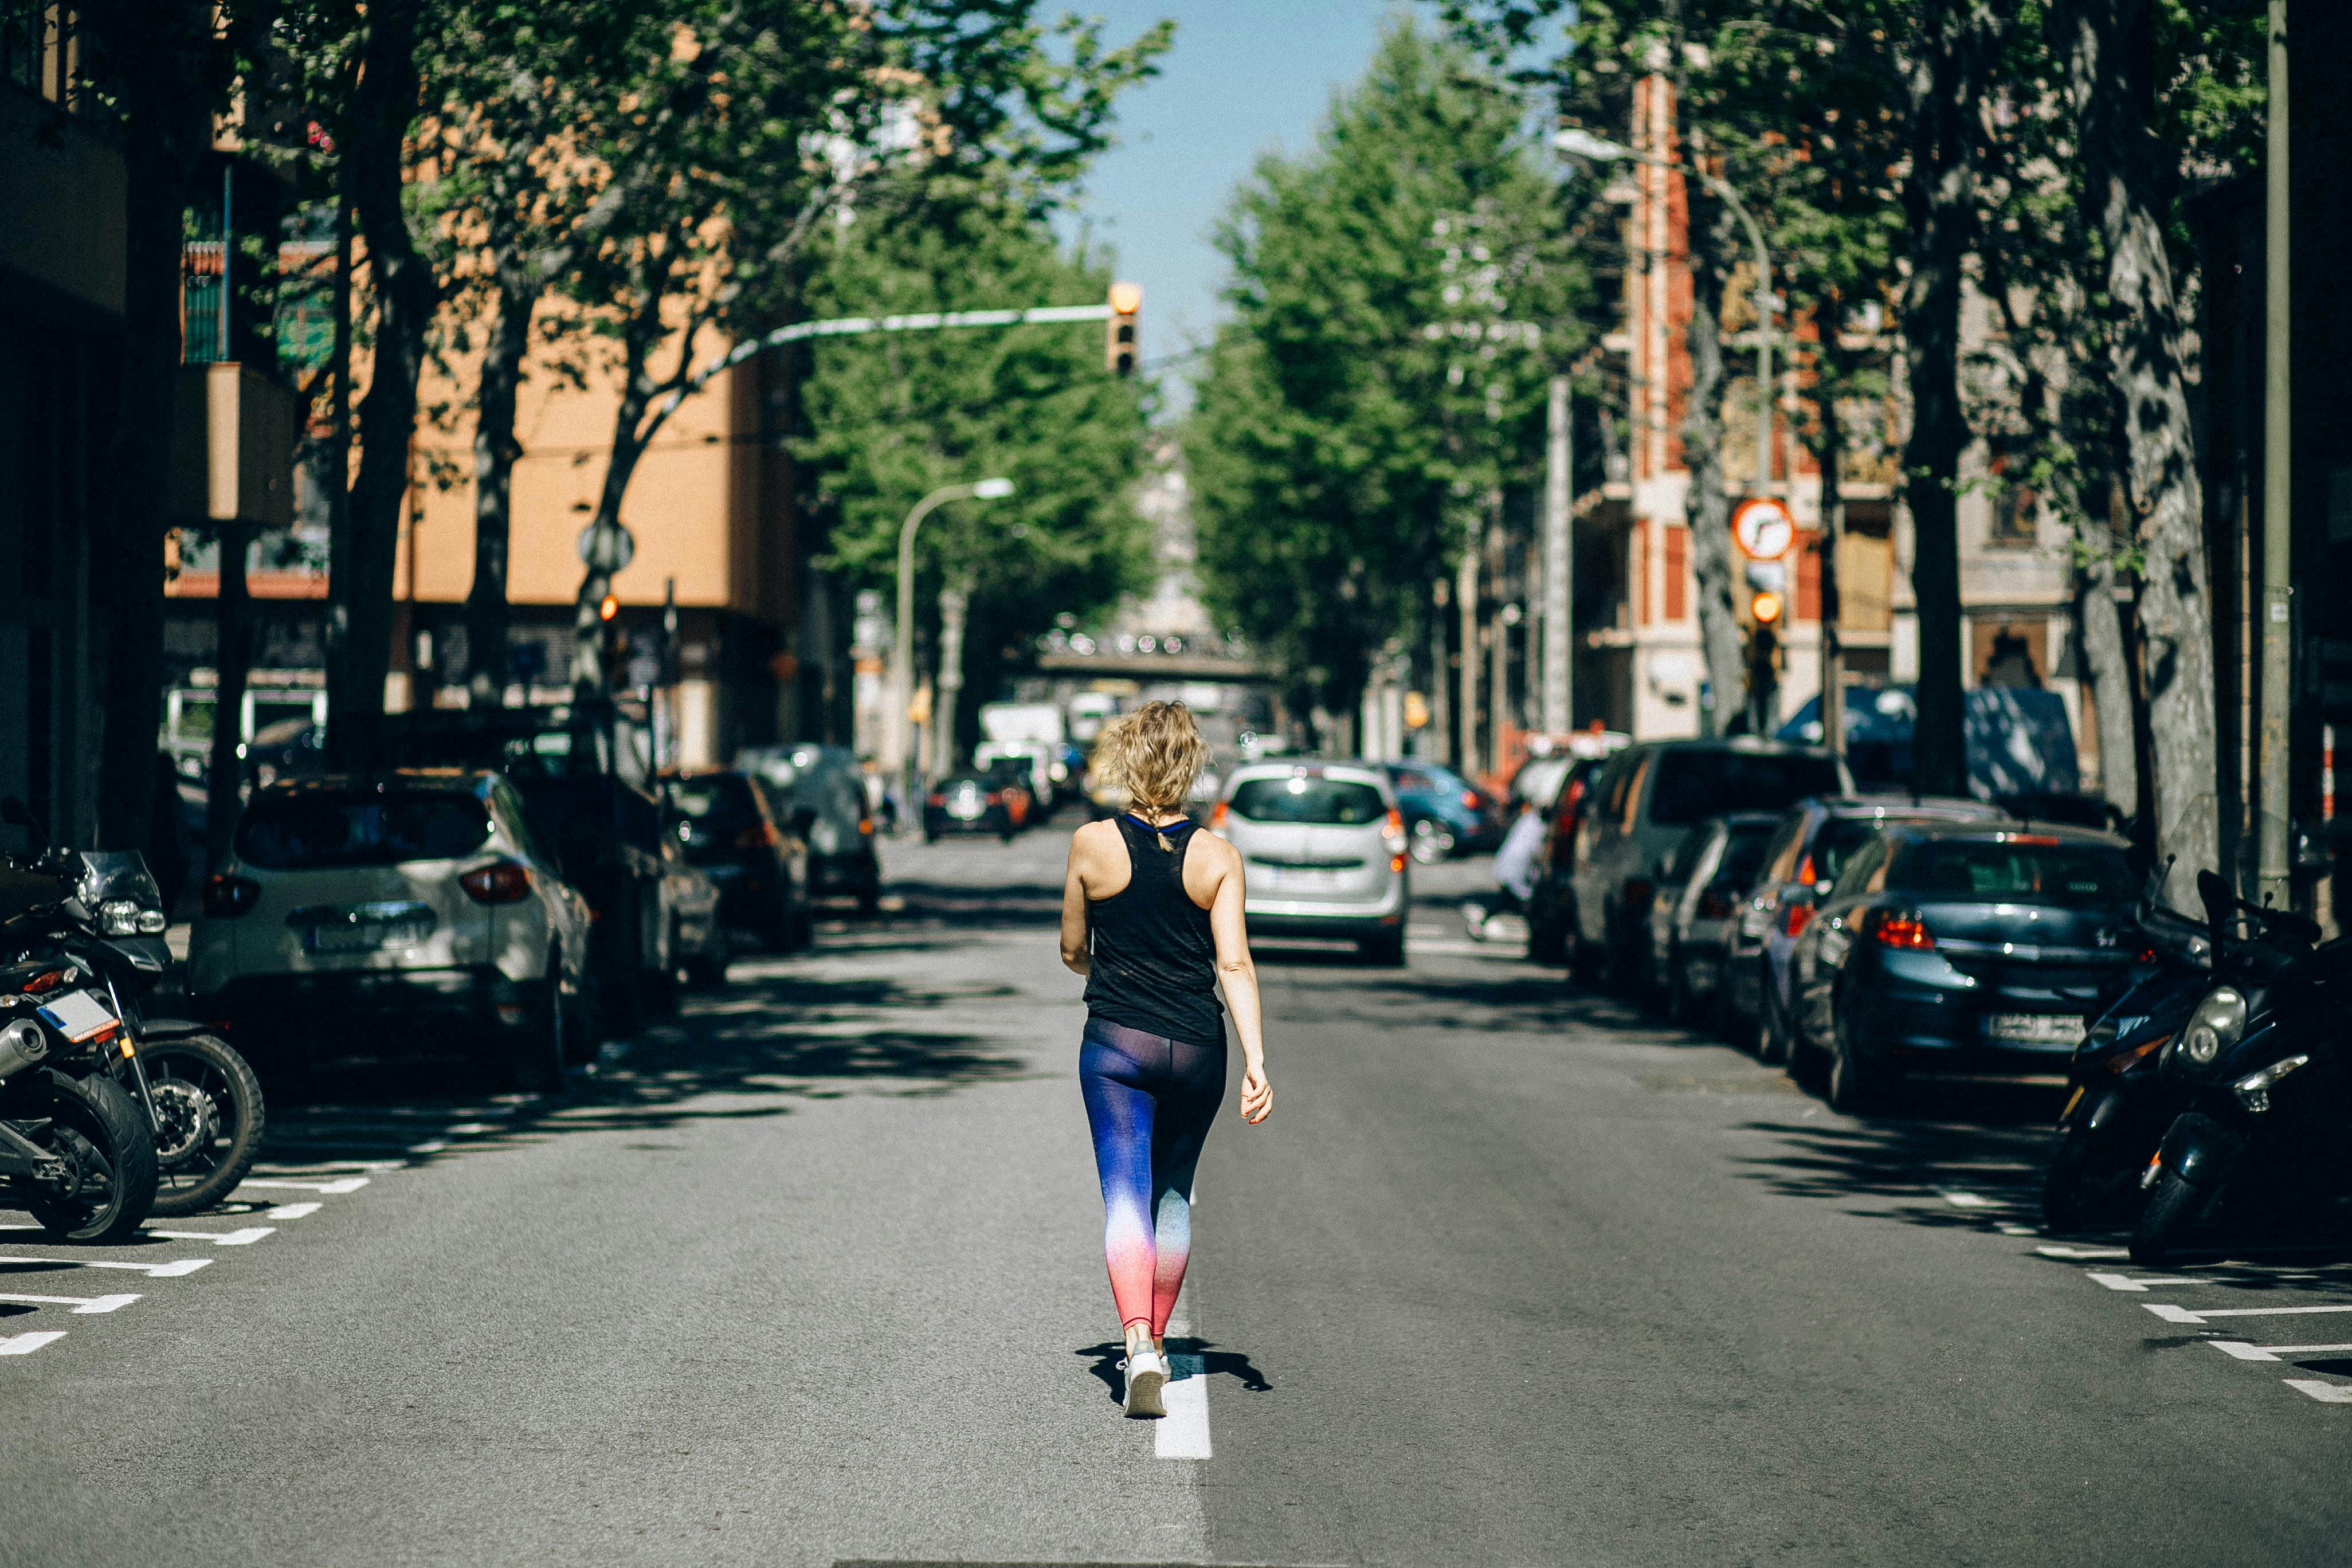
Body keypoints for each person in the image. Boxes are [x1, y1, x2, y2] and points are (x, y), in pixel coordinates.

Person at [1059, 700, 1272, 1418]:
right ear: (1192, 767)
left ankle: (1141, 1346)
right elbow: (1234, 964)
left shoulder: (1091, 844)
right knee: (1173, 1193)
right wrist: (1256, 1062)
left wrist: (1106, 970)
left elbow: (1071, 949)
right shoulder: (1218, 856)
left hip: (1118, 1043)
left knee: (1125, 1192)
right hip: (1198, 1047)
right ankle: (1158, 1341)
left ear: (1126, 761)